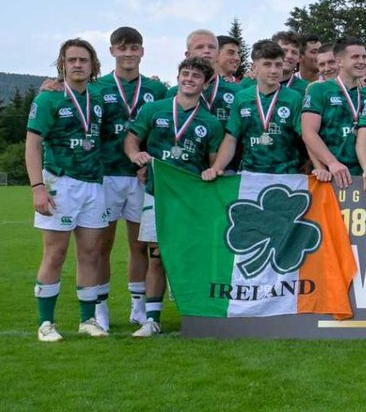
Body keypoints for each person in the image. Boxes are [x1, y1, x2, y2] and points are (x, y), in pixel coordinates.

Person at [125, 57, 224, 337]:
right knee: (157, 256)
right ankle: (152, 319)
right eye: (185, 74)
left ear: (205, 84)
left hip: (191, 200)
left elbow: (214, 162)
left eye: (196, 76)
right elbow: (131, 139)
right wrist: (135, 155)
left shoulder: (211, 123)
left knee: (192, 257)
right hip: (158, 194)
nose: (189, 79)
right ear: (178, 77)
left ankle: (195, 314)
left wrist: (212, 171)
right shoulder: (154, 109)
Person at [27, 39, 109, 341]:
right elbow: (33, 144)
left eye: (83, 60)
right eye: (71, 59)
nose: (77, 64)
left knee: (90, 254)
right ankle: (46, 323)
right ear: (62, 64)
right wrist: (38, 187)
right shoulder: (49, 98)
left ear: (93, 65)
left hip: (93, 183)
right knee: (55, 254)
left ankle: (87, 320)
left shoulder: (98, 97)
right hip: (59, 182)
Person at [92, 26, 168, 330]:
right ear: (112, 51)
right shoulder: (97, 87)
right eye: (122, 48)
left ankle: (138, 306)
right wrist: (54, 85)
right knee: (101, 245)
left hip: (140, 177)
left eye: (134, 48)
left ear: (142, 51)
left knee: (140, 245)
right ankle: (100, 307)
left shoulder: (156, 89)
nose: (128, 53)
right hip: (107, 174)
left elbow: (164, 127)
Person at [204, 40, 305, 178]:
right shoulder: (242, 97)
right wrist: (216, 168)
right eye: (267, 64)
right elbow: (231, 138)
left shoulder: (294, 98)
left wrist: (318, 166)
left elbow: (306, 136)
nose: (274, 70)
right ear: (255, 67)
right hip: (250, 174)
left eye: (278, 65)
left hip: (286, 174)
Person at [302, 38, 366, 188]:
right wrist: (331, 163)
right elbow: (308, 132)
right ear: (339, 61)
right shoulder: (319, 90)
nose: (362, 61)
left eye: (364, 57)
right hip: (332, 175)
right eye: (355, 57)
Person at [176, 29, 241, 126]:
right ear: (188, 55)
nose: (207, 51)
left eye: (211, 47)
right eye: (199, 47)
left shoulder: (236, 91)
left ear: (218, 53)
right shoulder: (174, 93)